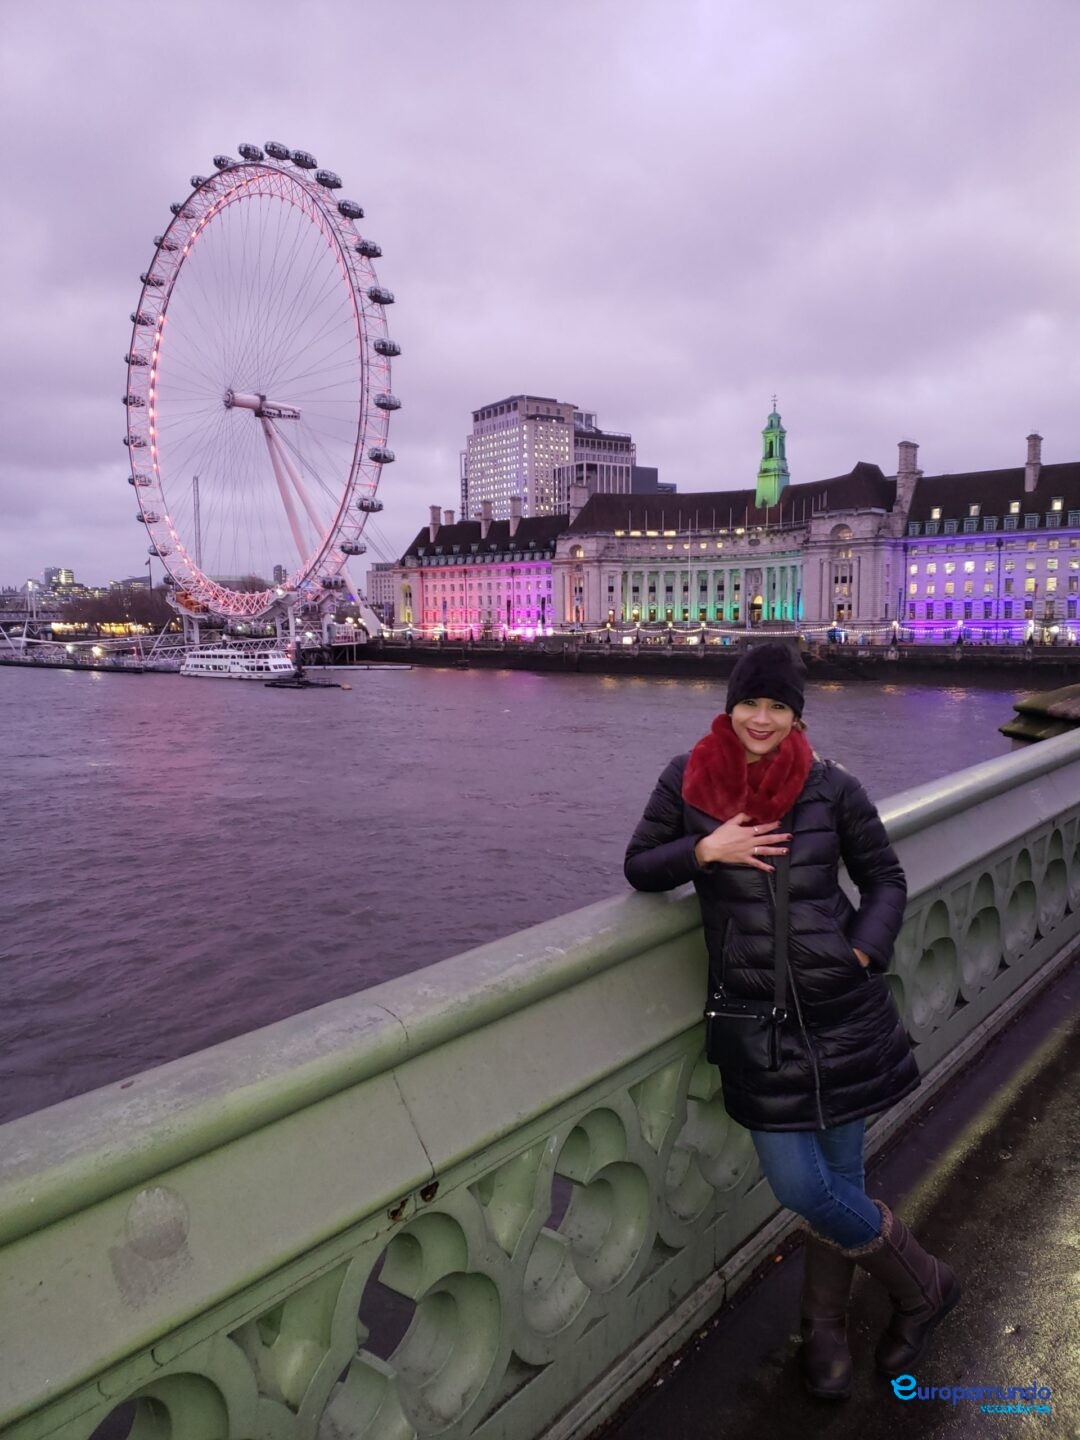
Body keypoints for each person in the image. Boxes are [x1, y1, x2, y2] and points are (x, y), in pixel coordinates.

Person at [623, 641, 960, 1402]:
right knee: (802, 1185)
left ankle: (825, 1331)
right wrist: (706, 848)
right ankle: (925, 1282)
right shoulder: (686, 781)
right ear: (729, 707)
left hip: (842, 1011)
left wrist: (865, 954)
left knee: (839, 1180)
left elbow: (885, 878)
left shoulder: (832, 787)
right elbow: (640, 865)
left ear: (796, 714)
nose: (763, 719)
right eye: (752, 704)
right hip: (757, 1025)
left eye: (779, 707)